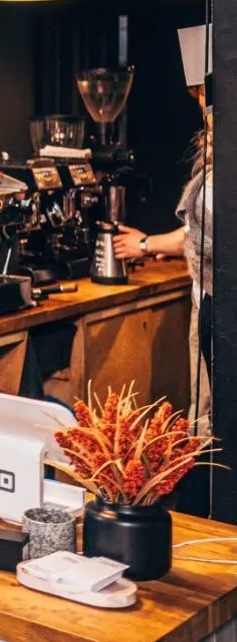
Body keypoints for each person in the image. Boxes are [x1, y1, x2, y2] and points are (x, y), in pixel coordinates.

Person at [115, 25, 213, 388]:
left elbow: (203, 234)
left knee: (213, 410)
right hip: (208, 303)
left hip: (219, 310)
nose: (201, 105)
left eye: (203, 94)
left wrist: (143, 244)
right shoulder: (214, 152)